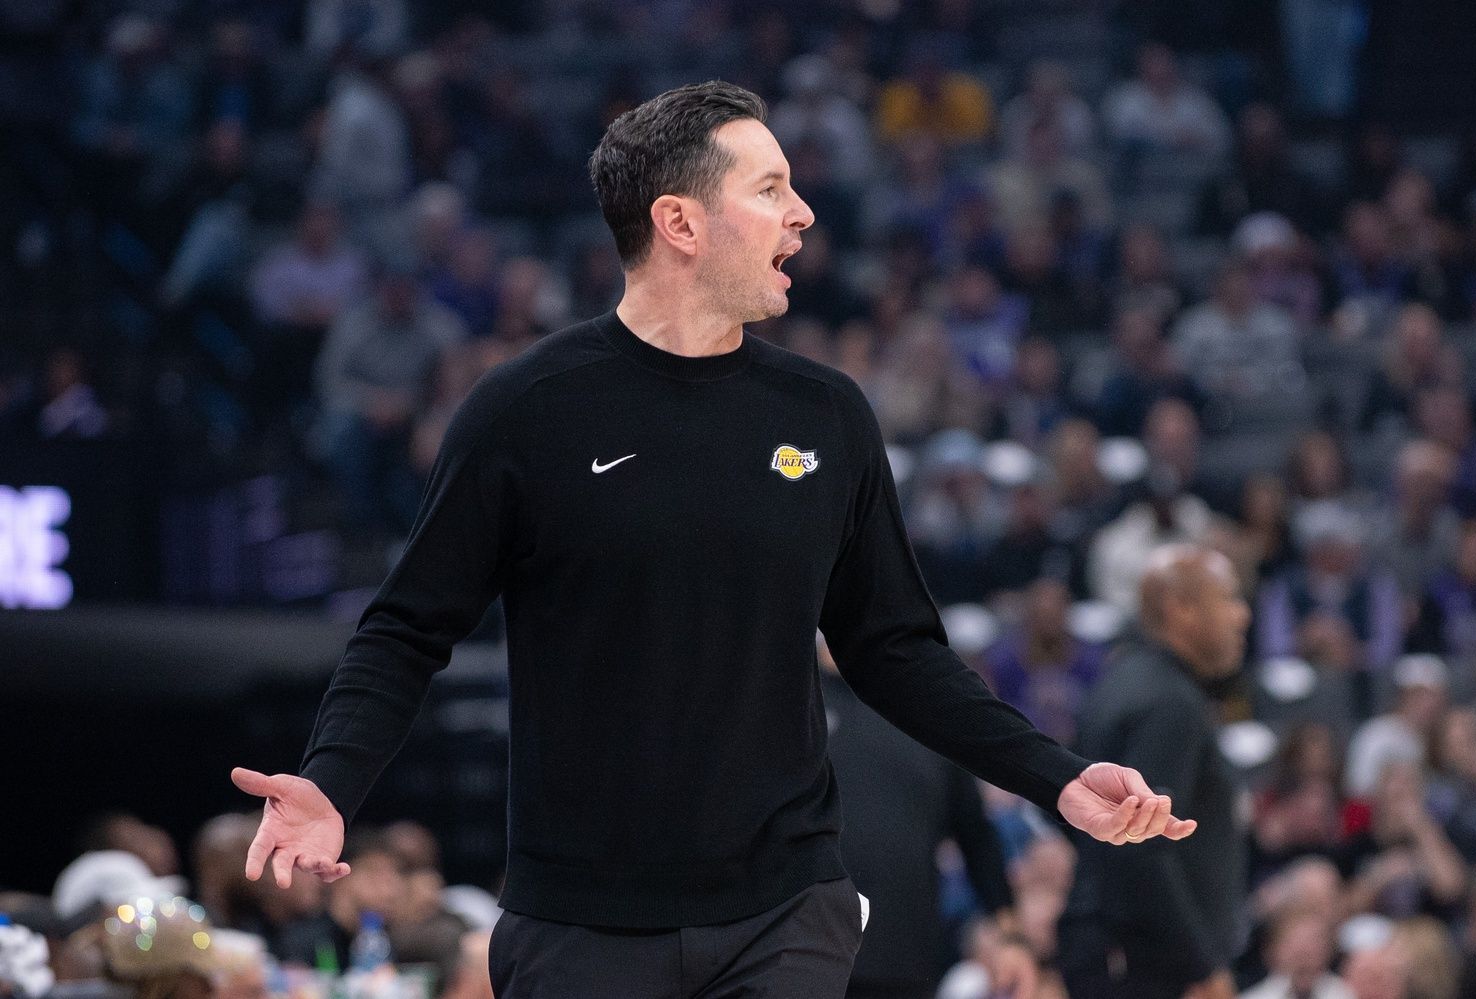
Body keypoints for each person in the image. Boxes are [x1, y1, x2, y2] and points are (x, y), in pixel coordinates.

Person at [231, 80, 1195, 999]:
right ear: (679, 223)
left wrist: (1055, 778)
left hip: (785, 906)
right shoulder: (526, 412)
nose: (803, 212)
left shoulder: (827, 415)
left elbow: (894, 650)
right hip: (581, 918)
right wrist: (330, 779)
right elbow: (405, 628)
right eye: (769, 188)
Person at [1061, 543, 1251, 999]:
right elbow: (1141, 842)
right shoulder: (1170, 704)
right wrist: (1200, 966)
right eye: (1228, 598)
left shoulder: (1126, 681)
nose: (1242, 615)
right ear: (1180, 609)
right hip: (1149, 969)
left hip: (1116, 951)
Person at [819, 637, 1035, 999]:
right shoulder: (789, 700)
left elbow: (976, 837)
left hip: (905, 960)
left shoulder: (923, 710)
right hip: (803, 955)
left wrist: (1011, 938)